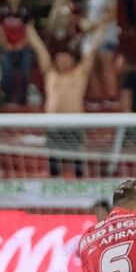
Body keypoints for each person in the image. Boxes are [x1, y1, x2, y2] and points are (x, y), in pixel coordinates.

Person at [27, 23, 104, 177]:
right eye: (59, 57)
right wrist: (29, 29)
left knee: (77, 163)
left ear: (72, 59)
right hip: (53, 123)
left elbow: (91, 50)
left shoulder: (79, 74)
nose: (61, 60)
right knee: (54, 163)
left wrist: (101, 29)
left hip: (75, 123)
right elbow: (40, 49)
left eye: (65, 57)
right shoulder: (50, 73)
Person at [79, 0, 119, 106]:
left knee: (106, 65)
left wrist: (94, 24)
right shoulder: (87, 0)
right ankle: (95, 97)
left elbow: (111, 14)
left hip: (105, 36)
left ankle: (112, 96)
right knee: (91, 67)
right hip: (90, 39)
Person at [0, 0, 34, 106]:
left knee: (26, 71)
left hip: (24, 46)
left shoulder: (27, 9)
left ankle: (23, 99)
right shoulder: (1, 10)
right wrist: (7, 44)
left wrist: (22, 43)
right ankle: (8, 99)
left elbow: (30, 29)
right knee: (7, 71)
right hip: (6, 46)